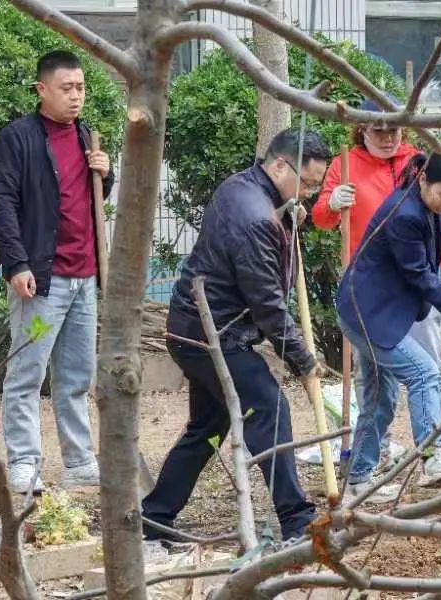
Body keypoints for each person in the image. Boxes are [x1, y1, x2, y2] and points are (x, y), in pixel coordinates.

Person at [141, 129, 330, 544]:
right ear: (280, 165)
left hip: (196, 328)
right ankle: (297, 520)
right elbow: (268, 305)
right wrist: (303, 359)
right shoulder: (255, 218)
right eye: (308, 182)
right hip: (211, 337)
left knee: (208, 425)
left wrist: (286, 214)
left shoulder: (243, 186)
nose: (311, 194)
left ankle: (154, 518)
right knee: (270, 409)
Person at [312, 97, 441, 472]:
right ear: (362, 128)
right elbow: (320, 219)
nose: (387, 137)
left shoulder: (420, 165)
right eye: (378, 130)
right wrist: (332, 203)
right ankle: (428, 456)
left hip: (416, 288)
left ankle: (430, 449)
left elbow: (440, 216)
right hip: (375, 290)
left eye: (394, 129)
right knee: (412, 375)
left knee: (423, 371)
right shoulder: (345, 165)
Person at [0, 50, 114, 493]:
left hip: (84, 278)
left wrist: (107, 173)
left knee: (77, 376)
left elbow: (89, 202)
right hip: (43, 281)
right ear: (42, 89)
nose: (76, 96)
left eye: (81, 87)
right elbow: (3, 203)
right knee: (27, 373)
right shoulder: (20, 138)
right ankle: (24, 462)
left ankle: (79, 462)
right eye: (67, 88)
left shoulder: (86, 138)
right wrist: (17, 263)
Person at [336, 150, 441, 504]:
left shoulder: (423, 206)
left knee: (379, 399)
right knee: (424, 373)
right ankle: (433, 457)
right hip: (368, 314)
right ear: (423, 181)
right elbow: (419, 274)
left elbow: (437, 225)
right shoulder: (404, 214)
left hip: (374, 310)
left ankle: (357, 479)